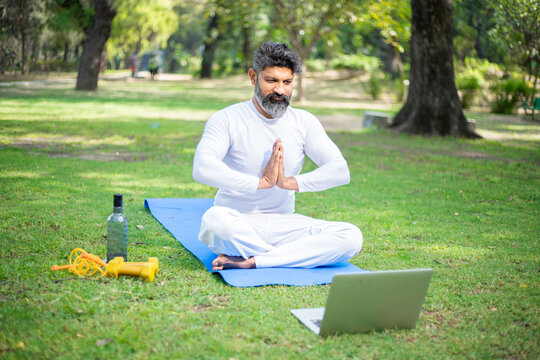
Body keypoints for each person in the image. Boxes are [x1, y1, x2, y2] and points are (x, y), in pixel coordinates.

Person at [192, 42, 363, 271]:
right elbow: (202, 167)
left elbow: (340, 171)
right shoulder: (227, 119)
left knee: (351, 236)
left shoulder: (304, 122)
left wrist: (289, 183)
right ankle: (288, 257)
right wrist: (259, 184)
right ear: (253, 78)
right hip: (236, 221)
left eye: (287, 82)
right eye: (271, 81)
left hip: (284, 224)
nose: (280, 90)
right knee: (214, 222)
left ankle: (254, 260)